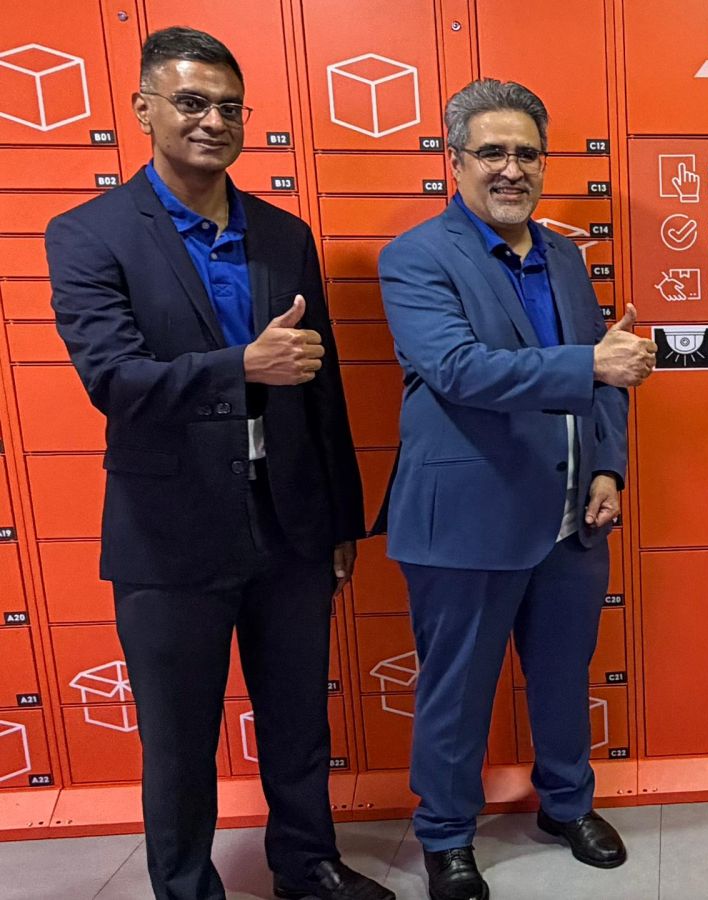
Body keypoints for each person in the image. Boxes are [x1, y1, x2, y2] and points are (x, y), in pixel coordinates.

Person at [45, 26, 391, 900]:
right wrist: (240, 365)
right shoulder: (88, 234)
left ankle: (307, 864)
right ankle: (186, 886)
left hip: (291, 523)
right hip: (169, 535)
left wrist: (340, 520)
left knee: (298, 720)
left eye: (230, 108)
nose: (213, 122)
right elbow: (114, 380)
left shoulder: (282, 233)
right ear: (144, 108)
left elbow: (322, 387)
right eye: (193, 103)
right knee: (179, 738)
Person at [375, 78, 654, 900]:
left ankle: (567, 805)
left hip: (571, 518)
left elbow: (607, 375)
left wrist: (607, 468)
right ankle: (446, 835)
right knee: (457, 690)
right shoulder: (416, 257)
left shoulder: (563, 256)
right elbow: (457, 369)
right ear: (454, 160)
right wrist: (592, 362)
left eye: (527, 153)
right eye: (492, 152)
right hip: (466, 520)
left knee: (564, 677)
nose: (511, 169)